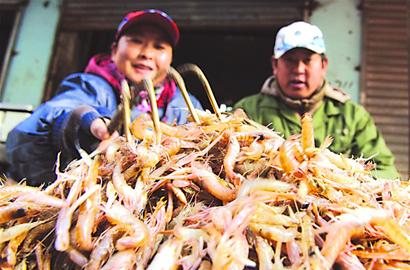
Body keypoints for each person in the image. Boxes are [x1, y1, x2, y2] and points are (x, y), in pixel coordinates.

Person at [6, 9, 203, 186]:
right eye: (136, 41)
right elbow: (51, 116)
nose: (147, 53)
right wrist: (81, 123)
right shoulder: (91, 86)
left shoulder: (186, 104)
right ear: (115, 50)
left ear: (170, 58)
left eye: (159, 46)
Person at [233, 21, 400, 179]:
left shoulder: (352, 116)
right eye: (290, 60)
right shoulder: (248, 111)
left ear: (323, 65)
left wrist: (345, 179)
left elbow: (386, 170)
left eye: (307, 60)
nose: (298, 70)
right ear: (275, 64)